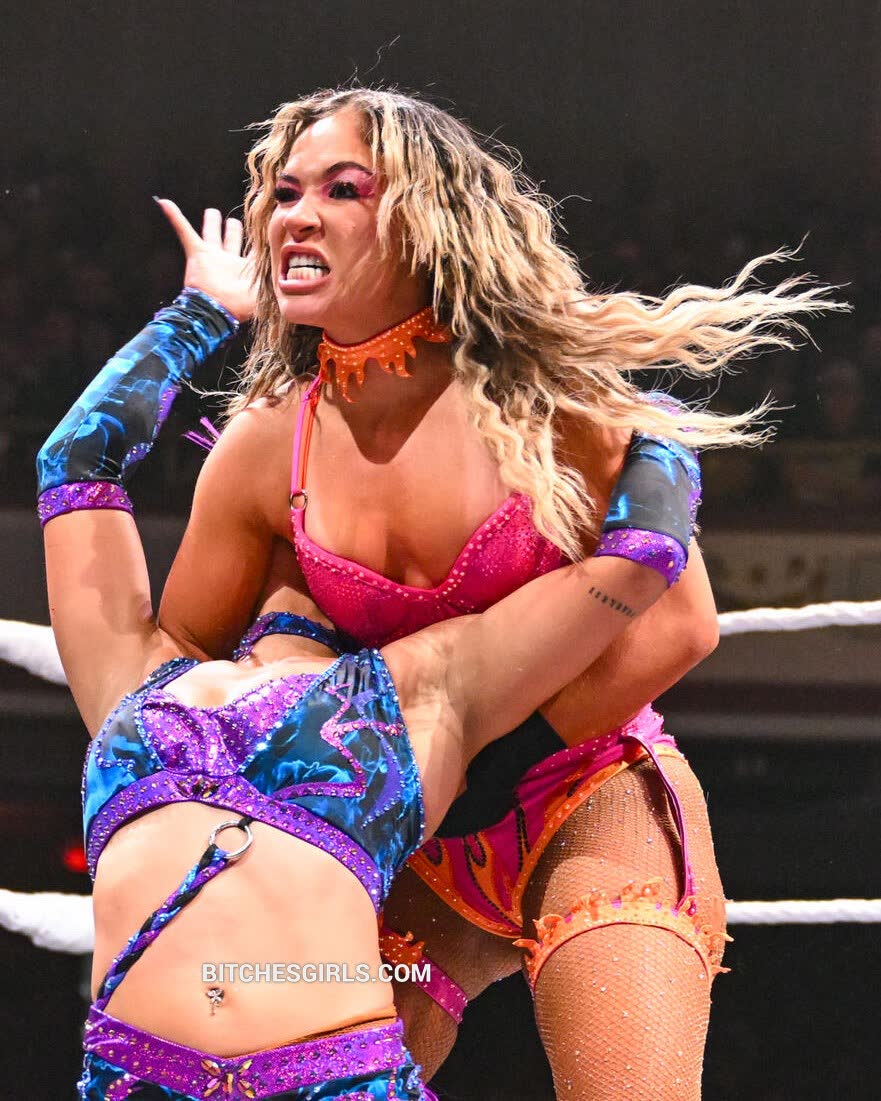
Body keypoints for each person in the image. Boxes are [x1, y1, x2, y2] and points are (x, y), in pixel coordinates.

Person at [153, 88, 839, 1099]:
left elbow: (681, 625)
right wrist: (260, 733)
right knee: (288, 1080)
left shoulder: (549, 403)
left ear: (427, 219)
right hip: (410, 839)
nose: (296, 215)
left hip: (586, 798)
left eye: (342, 189)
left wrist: (479, 771)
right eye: (283, 192)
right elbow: (175, 653)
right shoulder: (265, 448)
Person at [37, 287, 694, 1099]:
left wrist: (635, 409)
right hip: (136, 1078)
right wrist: (202, 308)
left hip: (337, 1078)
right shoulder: (144, 674)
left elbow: (643, 558)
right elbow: (72, 463)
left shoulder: (418, 691)